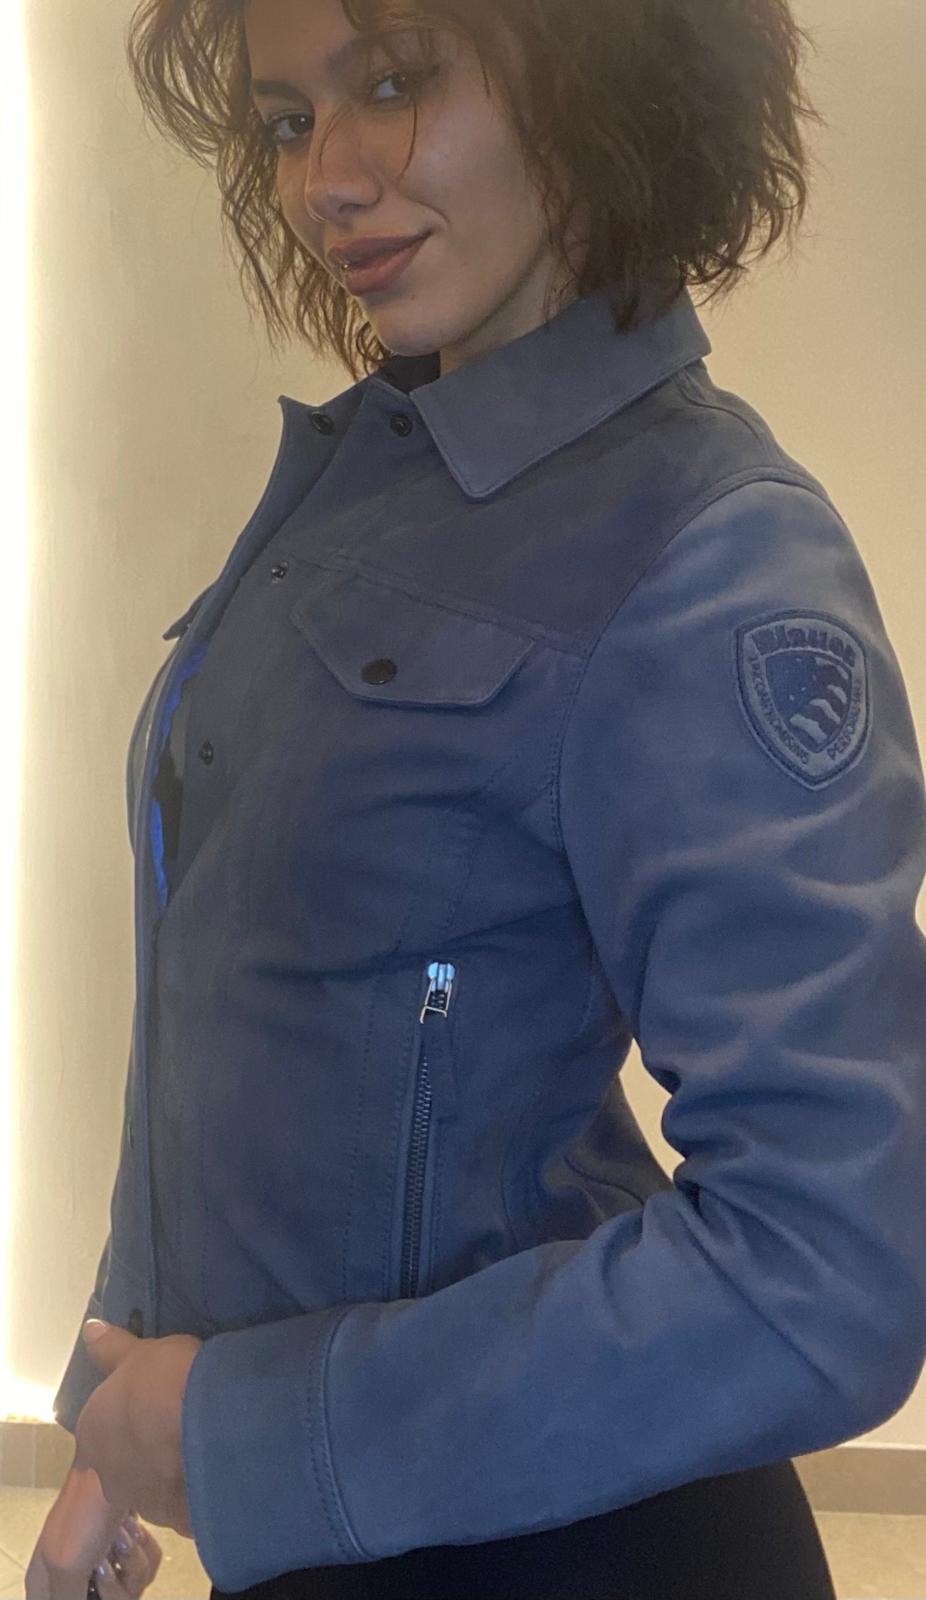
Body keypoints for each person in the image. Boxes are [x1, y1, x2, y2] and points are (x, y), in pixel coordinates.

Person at [28, 0, 926, 1596]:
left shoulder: (710, 551)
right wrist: (129, 1406)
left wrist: (248, 1433)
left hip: (567, 1547)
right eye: (288, 119)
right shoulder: (362, 487)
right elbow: (257, 1007)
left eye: (391, 83)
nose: (324, 179)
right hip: (321, 1526)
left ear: (597, 76)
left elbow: (825, 1269)